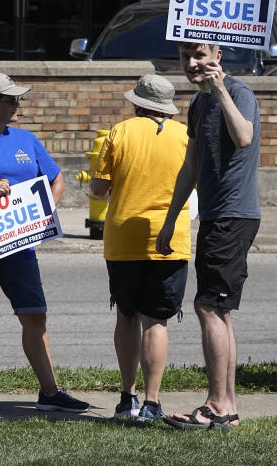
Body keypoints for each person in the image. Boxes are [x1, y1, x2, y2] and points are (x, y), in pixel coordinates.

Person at [0, 73, 90, 415]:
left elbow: (56, 178)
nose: (17, 105)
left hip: (19, 245)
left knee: (35, 315)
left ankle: (50, 392)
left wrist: (45, 211)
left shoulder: (26, 139)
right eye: (11, 100)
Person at [157, 42, 261, 431]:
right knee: (219, 310)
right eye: (185, 57)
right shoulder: (198, 103)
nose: (192, 64)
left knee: (208, 306)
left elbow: (245, 137)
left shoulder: (238, 92)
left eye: (199, 55)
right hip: (216, 213)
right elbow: (192, 165)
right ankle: (226, 406)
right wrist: (172, 218)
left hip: (235, 213)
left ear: (217, 54)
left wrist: (220, 90)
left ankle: (218, 405)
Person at [90, 74, 191, 423]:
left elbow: (98, 190)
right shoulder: (184, 135)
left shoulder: (119, 132)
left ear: (137, 103)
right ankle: (152, 401)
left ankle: (126, 396)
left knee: (126, 316)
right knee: (157, 322)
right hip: (171, 238)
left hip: (123, 239)